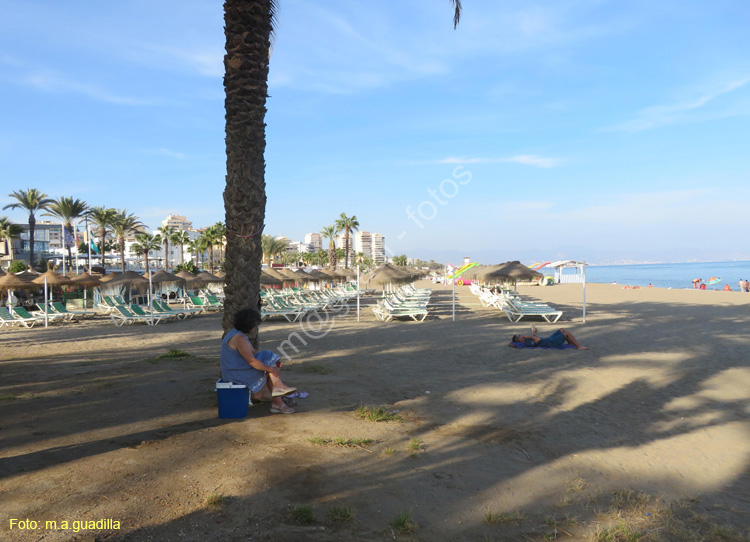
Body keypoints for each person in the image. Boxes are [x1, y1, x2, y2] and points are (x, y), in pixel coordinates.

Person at [220, 307, 297, 414]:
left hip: (238, 368)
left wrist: (274, 359)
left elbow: (254, 352)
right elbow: (252, 361)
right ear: (250, 326)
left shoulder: (238, 334)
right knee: (270, 368)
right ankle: (278, 399)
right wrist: (271, 368)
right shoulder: (239, 338)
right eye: (255, 325)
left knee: (267, 357)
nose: (255, 328)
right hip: (236, 373)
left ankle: (278, 395)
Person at [510, 328, 589, 350]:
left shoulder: (526, 340)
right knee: (566, 333)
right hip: (551, 343)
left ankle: (570, 343)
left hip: (548, 339)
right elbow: (538, 340)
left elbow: (536, 338)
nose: (521, 335)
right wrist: (529, 336)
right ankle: (579, 346)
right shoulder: (527, 343)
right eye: (519, 336)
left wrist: (533, 334)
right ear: (519, 340)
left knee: (562, 329)